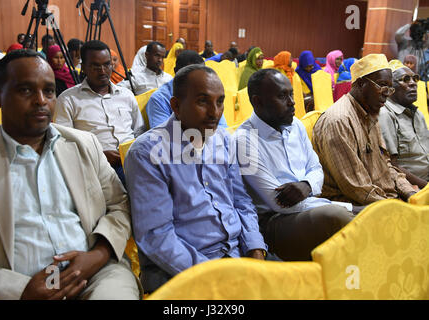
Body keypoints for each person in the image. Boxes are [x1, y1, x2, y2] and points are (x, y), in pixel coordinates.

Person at [0, 49, 141, 300]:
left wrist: (98, 254)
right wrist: (19, 291)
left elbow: (119, 204)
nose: (41, 100)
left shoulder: (84, 144)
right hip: (19, 284)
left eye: (49, 90)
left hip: (96, 273)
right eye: (25, 90)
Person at [125, 64, 267, 293]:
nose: (215, 112)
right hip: (180, 271)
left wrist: (255, 249)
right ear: (176, 106)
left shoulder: (223, 140)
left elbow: (241, 202)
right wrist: (217, 276)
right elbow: (157, 238)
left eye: (220, 101)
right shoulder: (148, 153)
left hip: (236, 255)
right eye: (203, 101)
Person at [235, 69, 354, 261]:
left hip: (310, 205)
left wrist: (306, 186)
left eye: (291, 94)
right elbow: (279, 203)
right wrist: (337, 205)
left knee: (375, 212)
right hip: (274, 222)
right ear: (258, 102)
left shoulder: (296, 125)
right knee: (338, 217)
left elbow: (316, 169)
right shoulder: (244, 141)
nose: (292, 101)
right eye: (282, 96)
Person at [312, 54, 417, 206]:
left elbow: (386, 165)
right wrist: (396, 206)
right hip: (353, 205)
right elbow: (356, 189)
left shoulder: (370, 113)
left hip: (381, 197)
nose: (386, 93)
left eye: (390, 88)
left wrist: (410, 193)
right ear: (361, 84)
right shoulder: (339, 121)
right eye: (381, 85)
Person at [55, 40, 145, 184]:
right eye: (95, 66)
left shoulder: (126, 95)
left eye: (106, 64)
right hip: (95, 165)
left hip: (132, 160)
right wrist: (98, 156)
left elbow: (140, 131)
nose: (103, 71)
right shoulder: (68, 99)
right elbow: (62, 143)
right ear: (83, 67)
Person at [378, 60, 428, 189]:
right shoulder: (386, 115)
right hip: (413, 186)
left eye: (414, 78)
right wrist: (427, 187)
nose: (413, 84)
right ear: (390, 88)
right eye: (405, 79)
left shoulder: (417, 114)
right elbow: (393, 166)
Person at [146, 50, 227, 129]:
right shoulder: (159, 99)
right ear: (176, 72)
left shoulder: (210, 94)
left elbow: (222, 130)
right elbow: (163, 136)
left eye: (203, 75)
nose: (200, 80)